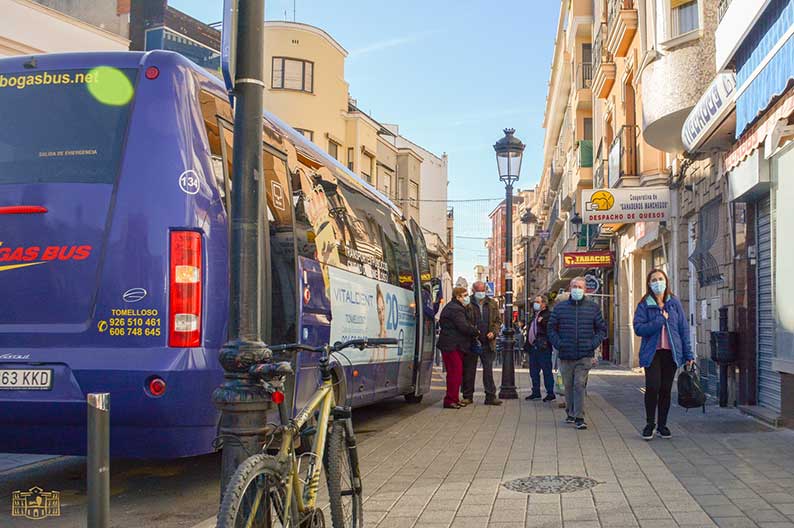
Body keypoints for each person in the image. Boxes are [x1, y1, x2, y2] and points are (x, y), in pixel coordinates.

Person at [633, 269, 694, 440]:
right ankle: (649, 424)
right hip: (652, 353)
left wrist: (688, 354)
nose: (658, 282)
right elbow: (639, 328)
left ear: (666, 281)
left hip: (671, 353)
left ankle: (662, 425)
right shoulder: (644, 304)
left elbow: (683, 329)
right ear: (649, 283)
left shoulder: (673, 303)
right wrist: (659, 320)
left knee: (666, 389)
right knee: (652, 387)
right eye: (654, 279)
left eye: (660, 279)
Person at [548, 277, 607, 430]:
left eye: (580, 287)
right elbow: (551, 328)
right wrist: (559, 343)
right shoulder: (560, 308)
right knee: (568, 386)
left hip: (584, 354)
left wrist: (592, 344)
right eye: (574, 286)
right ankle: (570, 412)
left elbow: (601, 329)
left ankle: (579, 417)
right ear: (570, 288)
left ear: (585, 289)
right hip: (566, 354)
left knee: (579, 384)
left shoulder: (593, 308)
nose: (577, 289)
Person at [436, 287, 479, 409]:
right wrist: (476, 331)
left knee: (455, 373)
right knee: (455, 372)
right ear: (458, 297)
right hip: (452, 345)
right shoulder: (456, 309)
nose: (467, 297)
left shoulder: (454, 307)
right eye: (464, 295)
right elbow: (463, 326)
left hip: (453, 344)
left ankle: (454, 398)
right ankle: (450, 400)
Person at [462, 281, 503, 406]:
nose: (481, 292)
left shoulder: (492, 303)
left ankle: (490, 396)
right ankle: (467, 396)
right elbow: (463, 320)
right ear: (473, 290)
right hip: (472, 341)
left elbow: (497, 321)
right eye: (478, 290)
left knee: (488, 370)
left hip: (487, 342)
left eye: (483, 290)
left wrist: (493, 332)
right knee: (469, 369)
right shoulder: (467, 302)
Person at [525, 295, 555, 402]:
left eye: (538, 302)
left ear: (544, 304)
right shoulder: (534, 315)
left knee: (546, 371)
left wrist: (542, 321)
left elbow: (551, 329)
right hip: (533, 347)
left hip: (543, 347)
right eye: (535, 302)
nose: (535, 304)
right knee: (533, 372)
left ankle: (550, 393)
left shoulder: (548, 315)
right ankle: (536, 392)